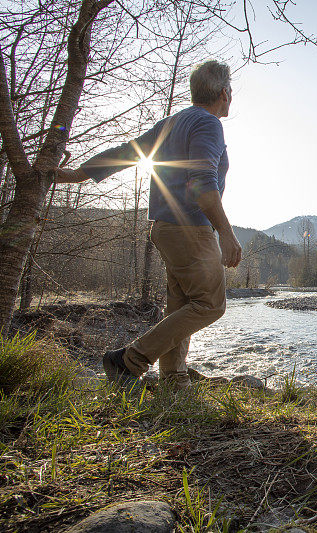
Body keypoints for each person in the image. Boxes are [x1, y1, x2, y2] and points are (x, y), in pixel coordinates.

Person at [55, 59, 242, 389]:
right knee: (211, 304)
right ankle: (129, 359)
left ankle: (174, 377)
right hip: (190, 229)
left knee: (182, 305)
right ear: (224, 93)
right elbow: (202, 183)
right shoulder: (209, 124)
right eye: (232, 92)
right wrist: (226, 233)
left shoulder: (171, 122)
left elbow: (129, 152)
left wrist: (78, 175)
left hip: (164, 229)